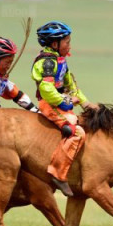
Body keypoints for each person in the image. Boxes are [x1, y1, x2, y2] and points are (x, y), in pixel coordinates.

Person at [31, 21, 96, 197]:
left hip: (59, 102)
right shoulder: (48, 62)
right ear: (55, 44)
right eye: (67, 42)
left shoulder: (61, 61)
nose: (69, 45)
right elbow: (47, 89)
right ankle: (58, 174)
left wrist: (86, 103)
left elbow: (71, 86)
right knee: (76, 132)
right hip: (50, 104)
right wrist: (66, 102)